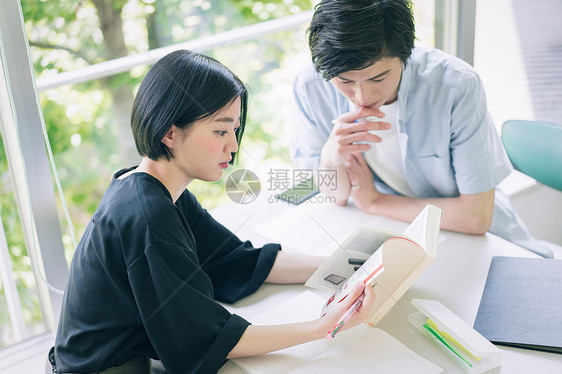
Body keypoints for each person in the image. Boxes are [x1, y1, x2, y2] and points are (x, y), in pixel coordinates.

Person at [49, 50, 375, 374]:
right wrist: (327, 325)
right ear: (170, 133)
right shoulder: (148, 216)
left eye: (234, 130)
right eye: (221, 131)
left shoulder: (156, 188)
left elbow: (234, 261)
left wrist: (351, 266)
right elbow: (209, 339)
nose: (233, 146)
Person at [290, 0, 552, 258]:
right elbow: (335, 196)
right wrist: (331, 159)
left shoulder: (456, 87)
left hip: (481, 242)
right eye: (344, 80)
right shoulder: (311, 86)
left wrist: (376, 202)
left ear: (406, 54)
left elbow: (476, 218)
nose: (362, 95)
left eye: (379, 78)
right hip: (395, 232)